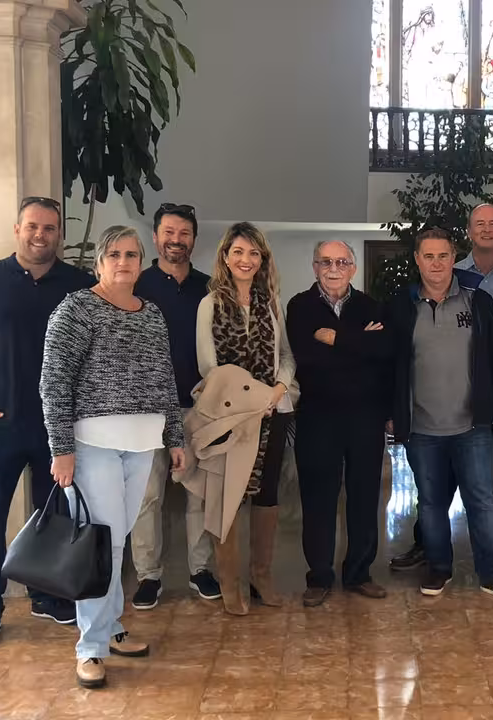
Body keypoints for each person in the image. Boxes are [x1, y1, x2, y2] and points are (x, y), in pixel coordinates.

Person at [0, 196, 94, 649]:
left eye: (49, 228)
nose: (40, 235)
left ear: (59, 234)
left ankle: (47, 596)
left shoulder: (81, 285)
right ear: (17, 229)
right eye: (32, 226)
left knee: (56, 519)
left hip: (59, 430)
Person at [39, 225, 185, 688]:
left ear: (141, 262)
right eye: (114, 254)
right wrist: (62, 448)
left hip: (142, 442)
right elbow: (54, 382)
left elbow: (165, 380)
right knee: (100, 545)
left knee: (117, 540)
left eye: (132, 254)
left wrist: (175, 437)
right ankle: (91, 647)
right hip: (92, 444)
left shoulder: (152, 314)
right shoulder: (77, 308)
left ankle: (111, 626)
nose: (124, 262)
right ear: (99, 262)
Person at [388, 228, 493, 604]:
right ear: (417, 260)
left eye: (443, 256)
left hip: (471, 425)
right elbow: (390, 363)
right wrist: (392, 412)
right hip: (422, 427)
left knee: (483, 500)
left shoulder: (477, 300)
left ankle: (492, 573)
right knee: (431, 503)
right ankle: (438, 567)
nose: (436, 264)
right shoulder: (402, 305)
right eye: (428, 256)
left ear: (454, 258)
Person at [195, 222, 296, 613]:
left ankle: (261, 577)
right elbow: (209, 367)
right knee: (229, 499)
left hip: (272, 414)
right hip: (230, 418)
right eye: (238, 251)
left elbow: (286, 356)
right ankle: (229, 584)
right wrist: (251, 398)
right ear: (225, 257)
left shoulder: (271, 303)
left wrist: (278, 389)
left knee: (267, 496)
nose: (246, 260)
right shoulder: (210, 304)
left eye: (254, 253)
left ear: (262, 260)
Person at [287, 240, 392, 607]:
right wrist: (360, 344)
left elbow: (382, 354)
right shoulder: (300, 307)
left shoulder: (370, 306)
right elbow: (308, 359)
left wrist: (335, 339)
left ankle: (359, 574)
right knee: (318, 498)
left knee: (365, 496)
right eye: (326, 261)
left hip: (366, 416)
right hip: (317, 416)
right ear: (315, 266)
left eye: (342, 261)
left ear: (353, 268)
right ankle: (319, 577)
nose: (334, 268)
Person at [130, 202, 220, 610]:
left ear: (194, 240)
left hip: (197, 406)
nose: (176, 240)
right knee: (147, 495)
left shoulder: (210, 287)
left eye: (184, 233)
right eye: (169, 232)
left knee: (199, 494)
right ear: (155, 237)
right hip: (147, 409)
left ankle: (201, 570)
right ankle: (148, 575)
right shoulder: (136, 284)